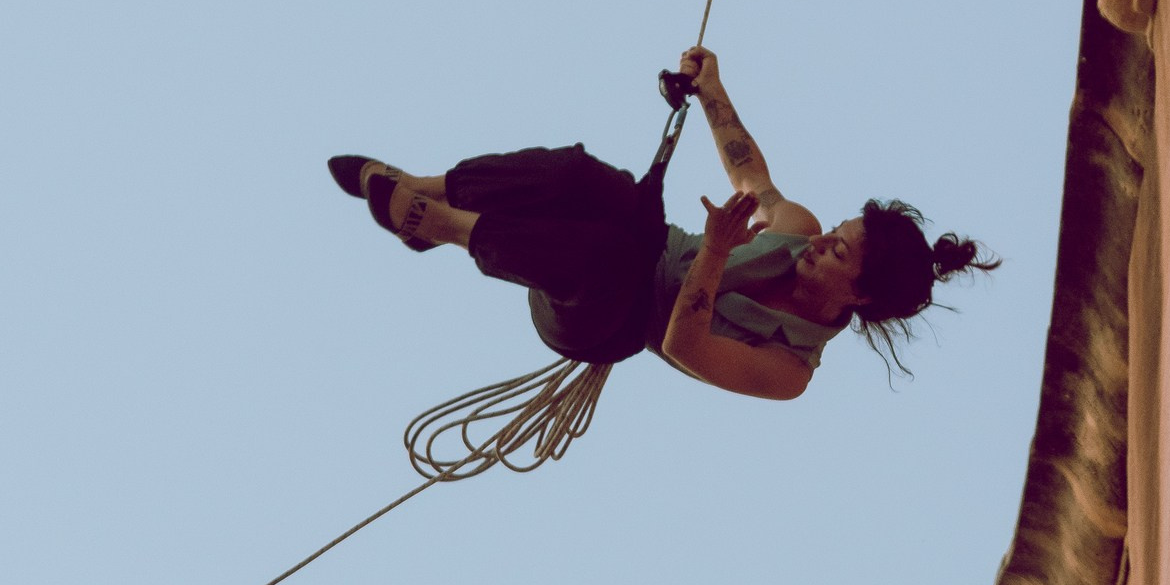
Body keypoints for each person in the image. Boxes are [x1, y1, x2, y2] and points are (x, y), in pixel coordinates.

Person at [326, 49, 995, 399]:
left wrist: (717, 254)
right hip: (643, 241)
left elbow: (685, 347)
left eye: (837, 253)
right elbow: (751, 177)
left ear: (862, 295)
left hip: (609, 319)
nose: (819, 241)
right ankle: (427, 191)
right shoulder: (795, 228)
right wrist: (712, 90)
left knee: (608, 257)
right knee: (584, 178)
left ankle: (445, 226)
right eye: (834, 232)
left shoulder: (789, 370)